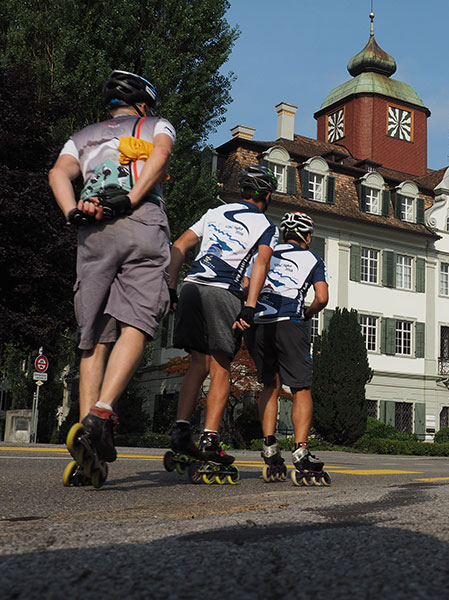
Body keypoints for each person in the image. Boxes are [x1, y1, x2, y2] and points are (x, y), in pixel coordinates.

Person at [49, 70, 175, 486]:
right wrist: (133, 196)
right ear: (144, 103)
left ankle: (86, 434)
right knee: (137, 320)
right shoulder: (155, 123)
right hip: (139, 221)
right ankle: (101, 413)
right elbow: (160, 156)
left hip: (92, 228)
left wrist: (71, 210)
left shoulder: (81, 136)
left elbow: (58, 173)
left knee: (93, 334)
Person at [166, 165, 279, 471]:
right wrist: (250, 307)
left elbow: (179, 245)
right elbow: (261, 264)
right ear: (266, 195)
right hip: (223, 292)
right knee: (220, 368)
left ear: (243, 191)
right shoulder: (267, 225)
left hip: (191, 286)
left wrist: (172, 288)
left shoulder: (215, 212)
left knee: (197, 364)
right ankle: (210, 440)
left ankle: (180, 430)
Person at [241, 211, 330, 486]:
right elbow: (322, 297)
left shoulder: (263, 253)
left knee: (270, 385)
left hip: (258, 323)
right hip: (290, 322)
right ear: (307, 236)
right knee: (301, 388)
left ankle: (270, 447)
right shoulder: (313, 259)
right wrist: (307, 313)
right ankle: (301, 451)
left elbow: (245, 286)